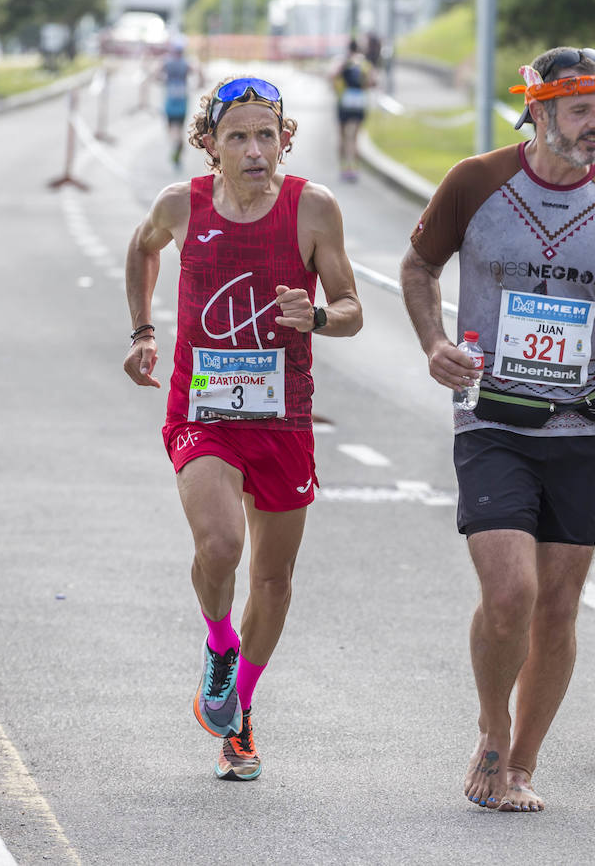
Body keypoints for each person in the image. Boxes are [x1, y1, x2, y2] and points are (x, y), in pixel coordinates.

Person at [400, 46, 595, 812]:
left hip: (584, 424)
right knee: (511, 592)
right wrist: (433, 343)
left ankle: (520, 764)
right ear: (541, 109)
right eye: (583, 109)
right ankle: (492, 727)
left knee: (558, 602)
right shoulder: (476, 181)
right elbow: (418, 267)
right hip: (492, 418)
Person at [122, 76, 363, 781]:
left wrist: (316, 316)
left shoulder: (313, 209)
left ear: (286, 139)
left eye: (267, 135)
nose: (255, 150)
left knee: (275, 580)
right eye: (238, 137)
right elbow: (143, 248)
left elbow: (351, 307)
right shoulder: (181, 205)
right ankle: (221, 645)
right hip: (202, 411)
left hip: (283, 415)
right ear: (210, 147)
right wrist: (143, 331)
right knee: (221, 544)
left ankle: (241, 712)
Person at [331, 39, 376, 182]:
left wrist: (337, 90)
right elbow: (372, 82)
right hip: (359, 102)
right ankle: (355, 169)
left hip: (344, 100)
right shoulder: (364, 64)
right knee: (355, 137)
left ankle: (344, 168)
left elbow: (332, 75)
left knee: (343, 136)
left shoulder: (343, 61)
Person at [155, 38, 199, 168]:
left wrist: (163, 79)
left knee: (170, 126)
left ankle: (176, 142)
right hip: (183, 98)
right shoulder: (186, 63)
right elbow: (199, 72)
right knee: (179, 126)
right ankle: (178, 142)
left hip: (170, 98)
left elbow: (156, 75)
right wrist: (198, 84)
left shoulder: (166, 62)